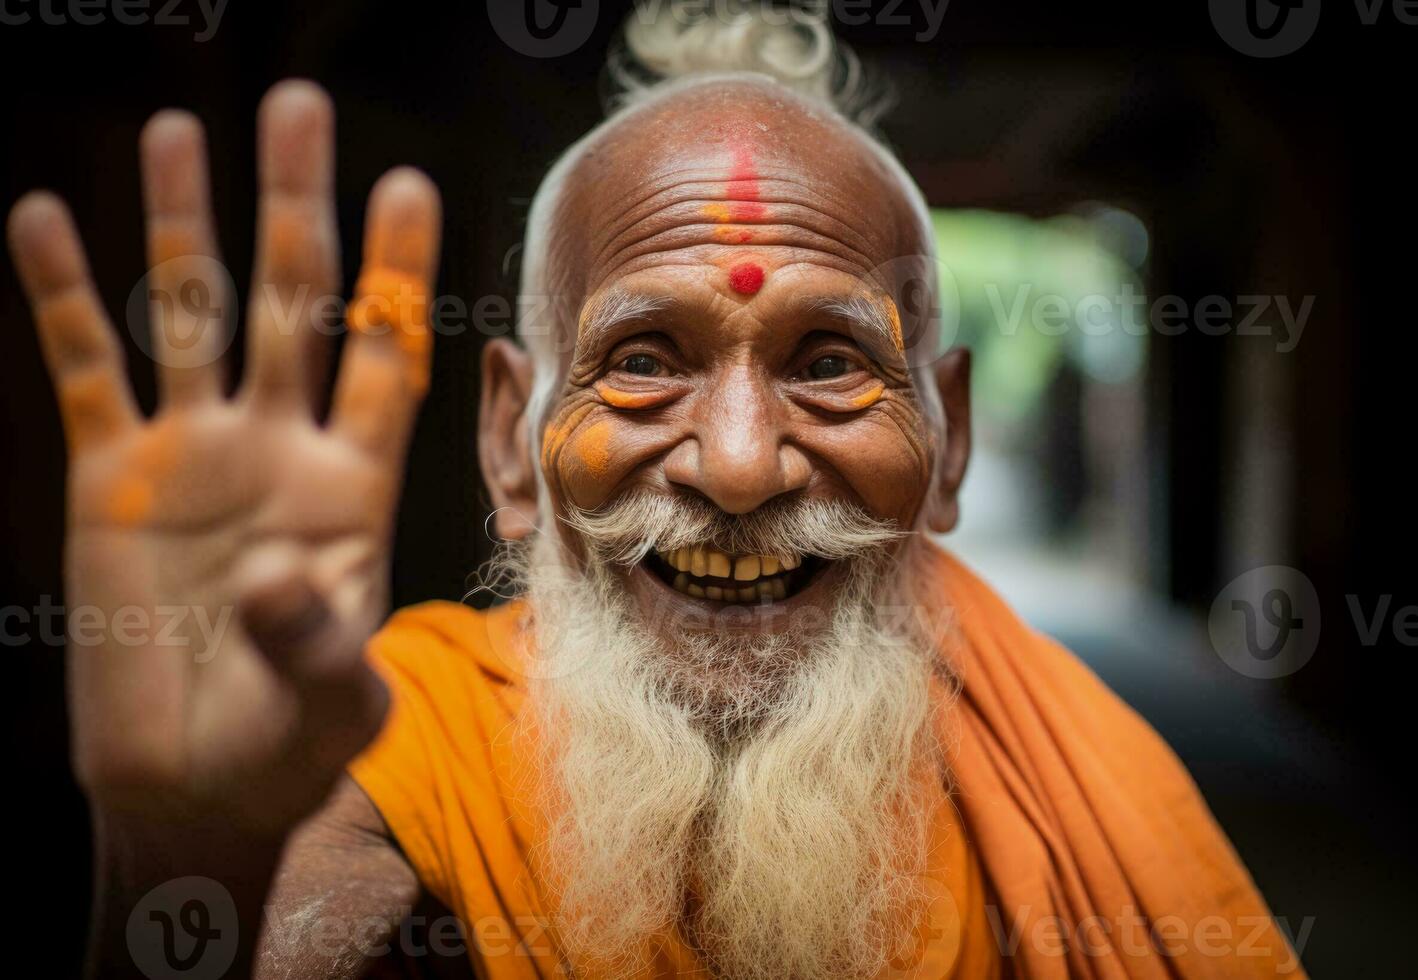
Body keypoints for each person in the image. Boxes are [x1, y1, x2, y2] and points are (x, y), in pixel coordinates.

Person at [8, 2, 1302, 976]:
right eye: (641, 362)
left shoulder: (1067, 776)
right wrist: (186, 853)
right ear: (512, 443)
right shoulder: (407, 738)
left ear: (948, 441)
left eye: (831, 363)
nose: (738, 467)